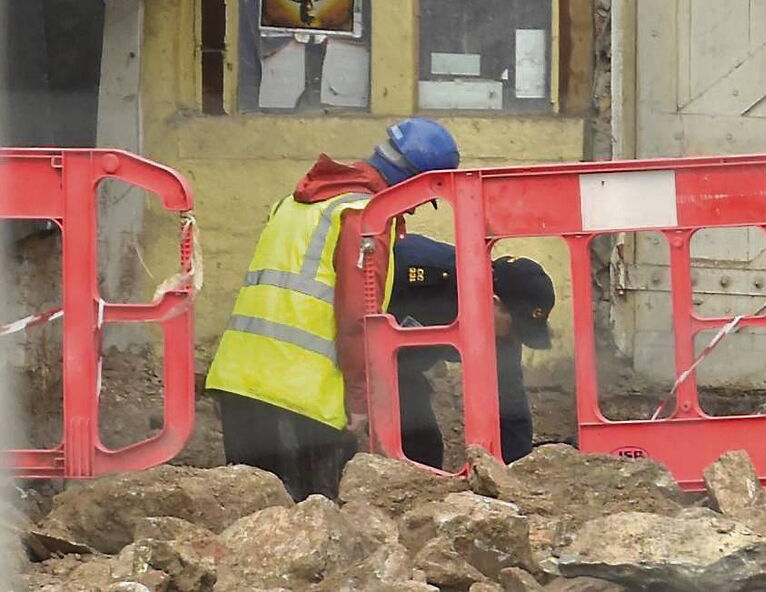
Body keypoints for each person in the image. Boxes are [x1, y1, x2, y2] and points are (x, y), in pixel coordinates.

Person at [205, 118, 460, 501]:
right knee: (310, 528)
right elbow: (358, 316)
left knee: (250, 520)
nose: (419, 208)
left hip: (241, 382)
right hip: (301, 401)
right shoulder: (363, 216)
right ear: (413, 181)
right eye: (425, 197)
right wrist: (359, 401)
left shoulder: (298, 203)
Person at [388, 234, 555, 470]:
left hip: (403, 370)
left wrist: (515, 475)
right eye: (517, 328)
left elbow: (510, 404)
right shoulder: (423, 275)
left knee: (423, 444)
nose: (514, 338)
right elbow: (353, 321)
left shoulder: (501, 330)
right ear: (494, 302)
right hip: (348, 357)